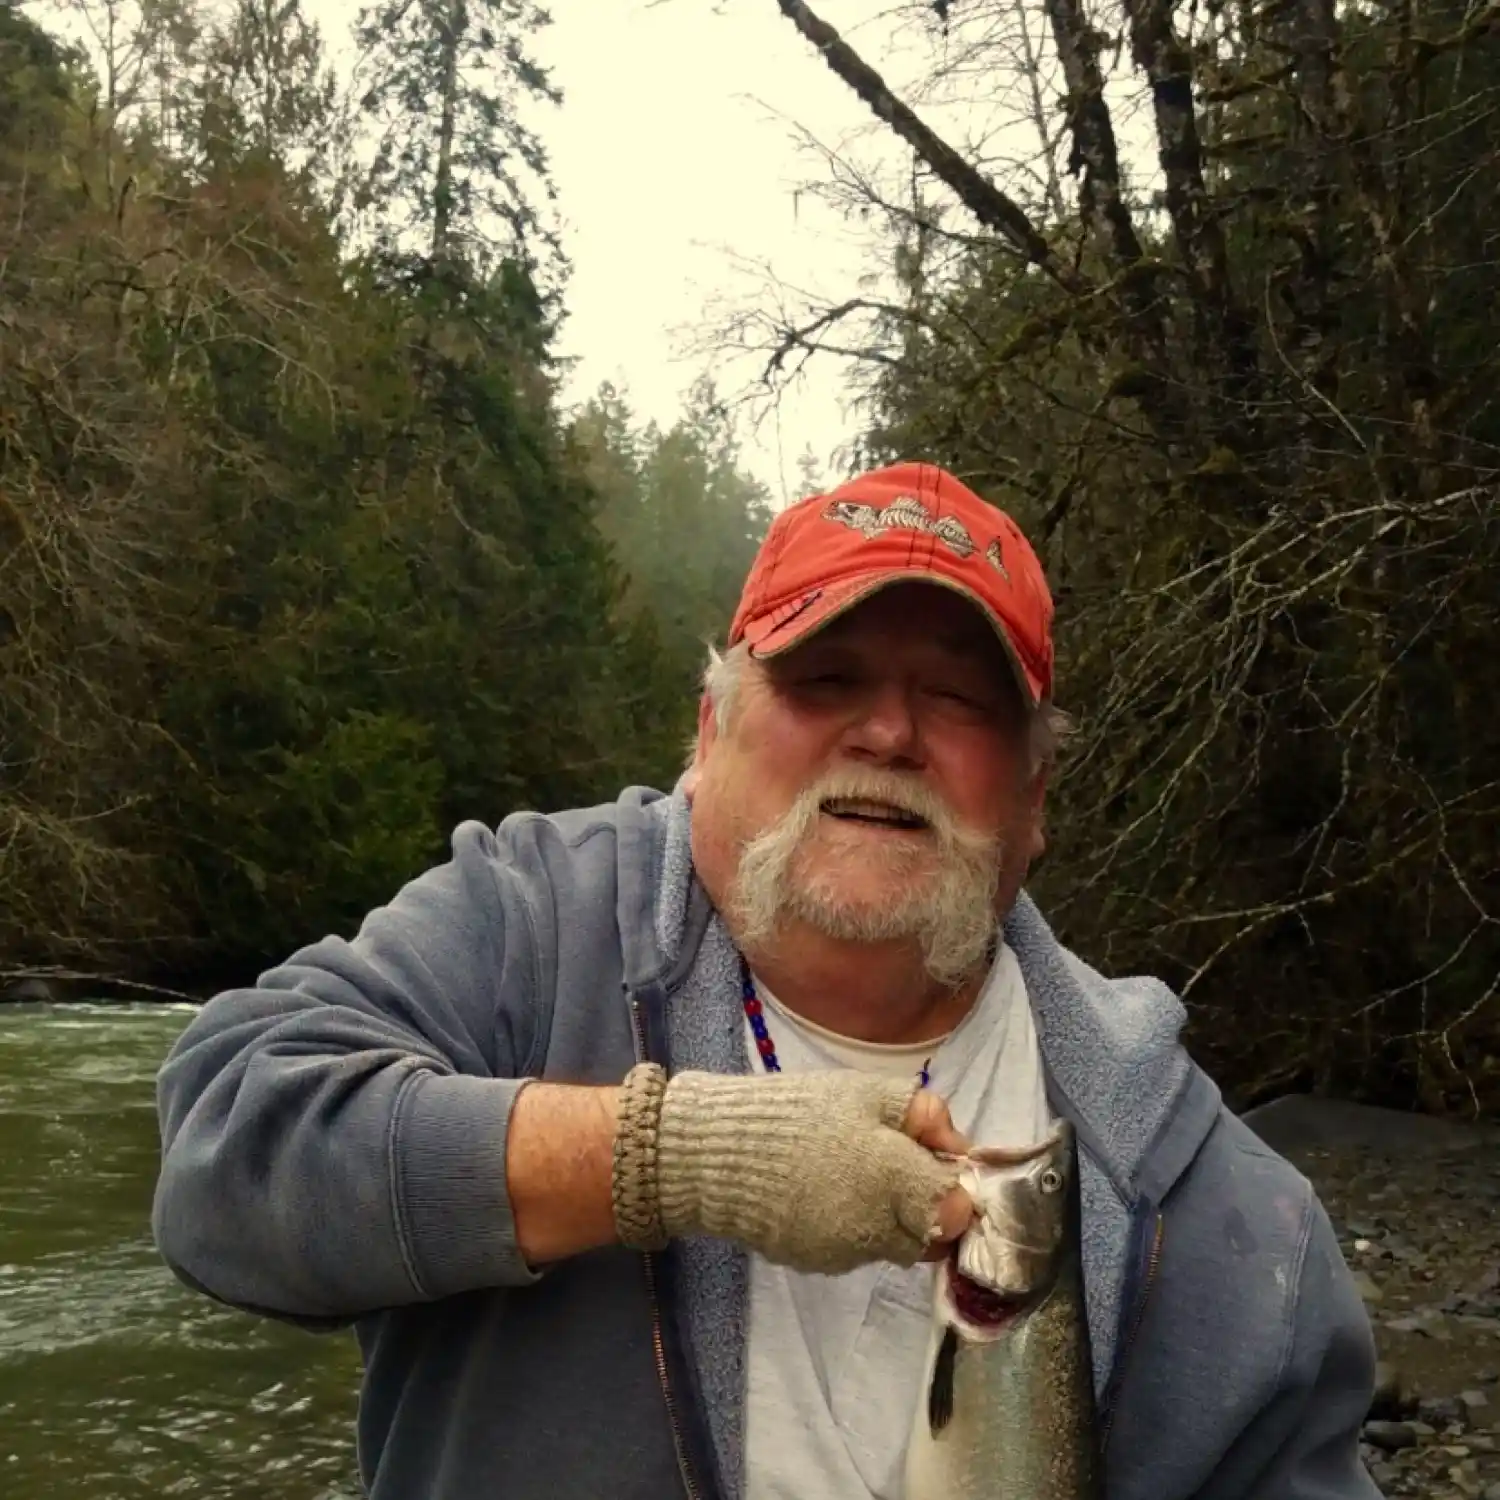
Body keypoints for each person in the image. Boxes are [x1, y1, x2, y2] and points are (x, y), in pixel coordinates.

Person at [152, 461, 1383, 1500]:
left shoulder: (1213, 1207)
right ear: (708, 734)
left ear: (1034, 799)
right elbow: (224, 1157)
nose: (889, 734)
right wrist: (665, 1155)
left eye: (957, 699)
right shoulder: (527, 923)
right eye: (824, 680)